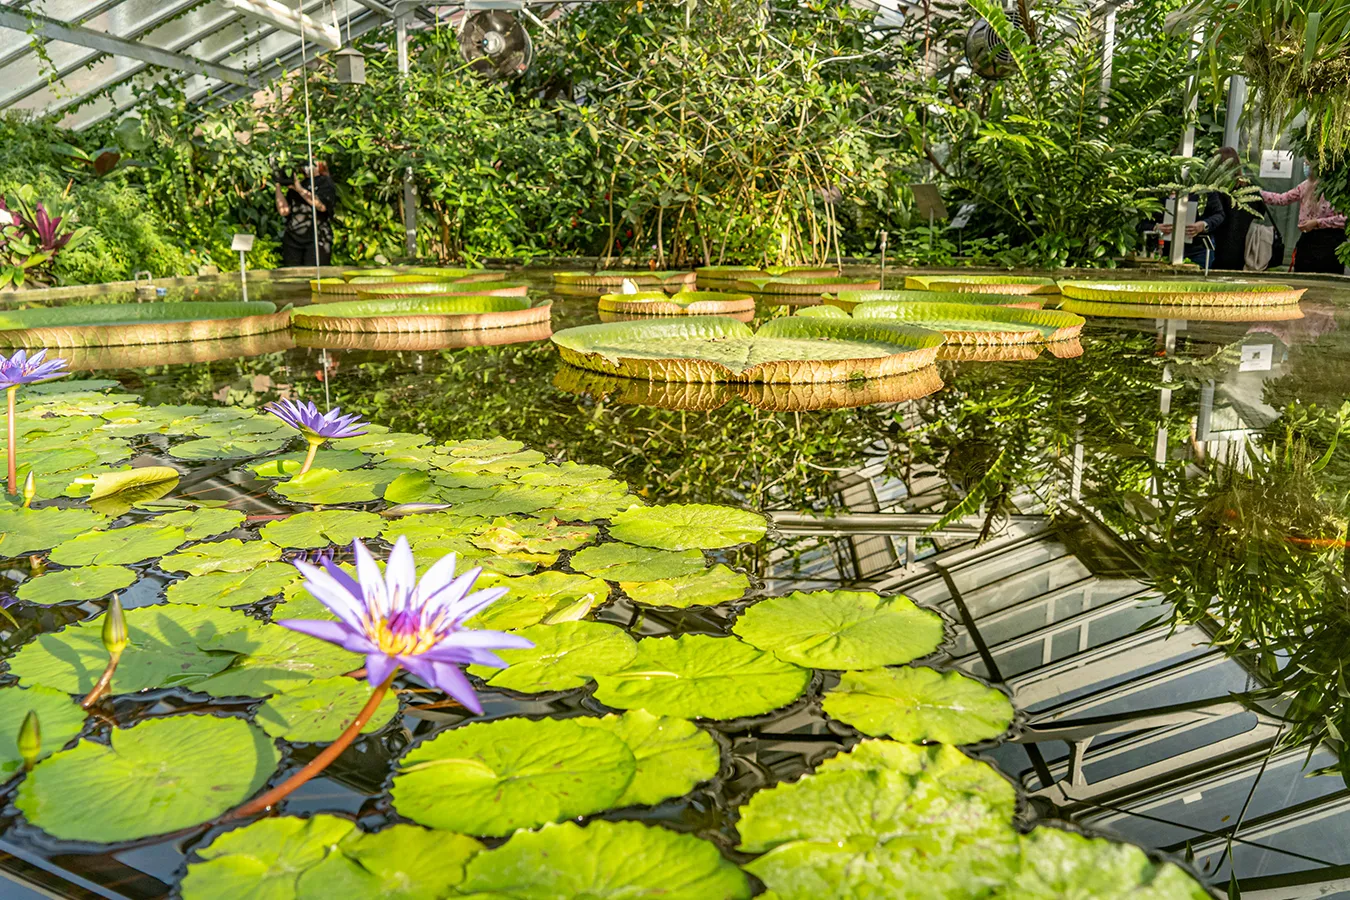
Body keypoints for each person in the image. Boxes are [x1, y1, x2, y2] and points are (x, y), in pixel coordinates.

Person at [1260, 167, 1346, 273]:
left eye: (1308, 163)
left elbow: (1344, 220)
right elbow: (1282, 199)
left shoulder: (1336, 187)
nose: (1305, 166)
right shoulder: (1305, 186)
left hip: (1330, 241)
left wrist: (1317, 223)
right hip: (1307, 239)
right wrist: (1256, 192)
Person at [275, 161, 338, 267]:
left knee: (314, 276)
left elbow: (321, 206)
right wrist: (277, 185)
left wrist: (300, 190)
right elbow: (284, 211)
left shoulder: (325, 182)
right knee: (293, 277)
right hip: (293, 238)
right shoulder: (299, 183)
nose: (308, 166)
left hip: (317, 238)